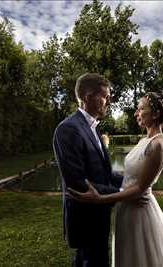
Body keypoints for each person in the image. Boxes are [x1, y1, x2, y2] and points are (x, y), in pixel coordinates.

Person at [68, 92, 163, 267]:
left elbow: (139, 189)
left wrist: (100, 199)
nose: (136, 114)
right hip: (126, 209)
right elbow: (131, 175)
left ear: (155, 114)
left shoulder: (158, 145)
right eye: (137, 109)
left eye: (141, 109)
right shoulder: (145, 140)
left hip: (139, 212)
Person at [53, 73, 124, 267]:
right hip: (84, 218)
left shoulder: (93, 127)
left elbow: (104, 172)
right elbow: (77, 182)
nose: (109, 101)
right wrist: (122, 193)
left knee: (92, 260)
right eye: (105, 96)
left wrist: (132, 181)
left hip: (99, 214)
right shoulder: (68, 129)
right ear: (87, 96)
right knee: (92, 261)